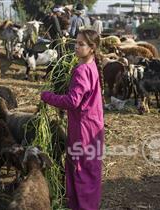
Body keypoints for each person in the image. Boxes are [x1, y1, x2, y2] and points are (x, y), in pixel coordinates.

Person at [41, 29, 104, 210]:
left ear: (92, 48)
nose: (76, 47)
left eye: (81, 44)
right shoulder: (92, 66)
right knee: (90, 169)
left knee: (79, 169)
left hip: (82, 128)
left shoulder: (82, 70)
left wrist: (47, 96)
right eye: (75, 43)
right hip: (94, 125)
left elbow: (72, 101)